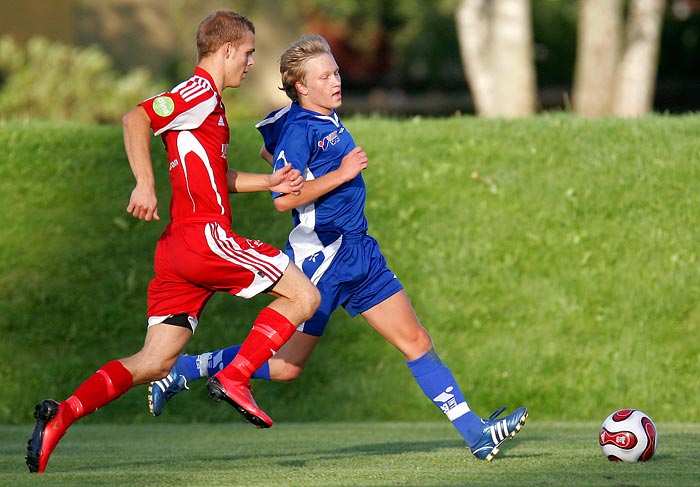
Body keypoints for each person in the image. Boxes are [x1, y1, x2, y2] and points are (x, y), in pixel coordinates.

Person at [148, 34, 527, 461]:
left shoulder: (311, 118)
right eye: (325, 75)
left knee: (416, 340)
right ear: (303, 86)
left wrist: (285, 153)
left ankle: (477, 434)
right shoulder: (299, 128)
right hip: (321, 257)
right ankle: (186, 368)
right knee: (288, 367)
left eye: (337, 72)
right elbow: (283, 199)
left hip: (360, 251)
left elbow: (268, 145)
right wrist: (342, 173)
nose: (336, 80)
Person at [25, 11, 320, 474]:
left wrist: (270, 181)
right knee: (304, 295)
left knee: (155, 361)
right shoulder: (199, 91)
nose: (249, 62)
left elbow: (217, 176)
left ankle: (62, 416)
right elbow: (135, 118)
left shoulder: (213, 106)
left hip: (179, 252)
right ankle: (236, 375)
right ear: (225, 50)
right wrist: (144, 183)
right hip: (203, 237)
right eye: (247, 53)